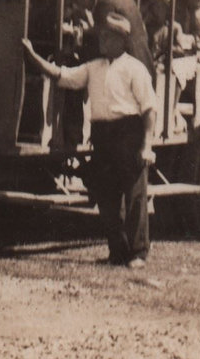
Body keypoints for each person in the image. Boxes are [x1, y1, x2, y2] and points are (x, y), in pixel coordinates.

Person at [23, 13, 156, 267]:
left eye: (107, 36)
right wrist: (33, 57)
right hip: (102, 135)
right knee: (106, 196)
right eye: (102, 36)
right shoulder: (93, 67)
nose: (102, 41)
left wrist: (146, 145)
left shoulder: (134, 69)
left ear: (121, 40)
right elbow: (62, 76)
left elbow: (150, 108)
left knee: (134, 194)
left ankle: (138, 253)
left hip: (128, 132)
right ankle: (117, 252)